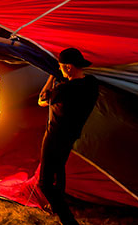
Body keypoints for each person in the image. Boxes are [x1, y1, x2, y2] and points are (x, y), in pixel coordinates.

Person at [37, 48, 99, 225]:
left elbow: (41, 101)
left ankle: (69, 221)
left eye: (61, 67)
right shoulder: (92, 84)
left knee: (45, 183)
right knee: (59, 168)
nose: (60, 69)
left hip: (54, 137)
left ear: (69, 68)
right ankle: (57, 206)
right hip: (71, 136)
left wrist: (50, 77)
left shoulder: (62, 90)